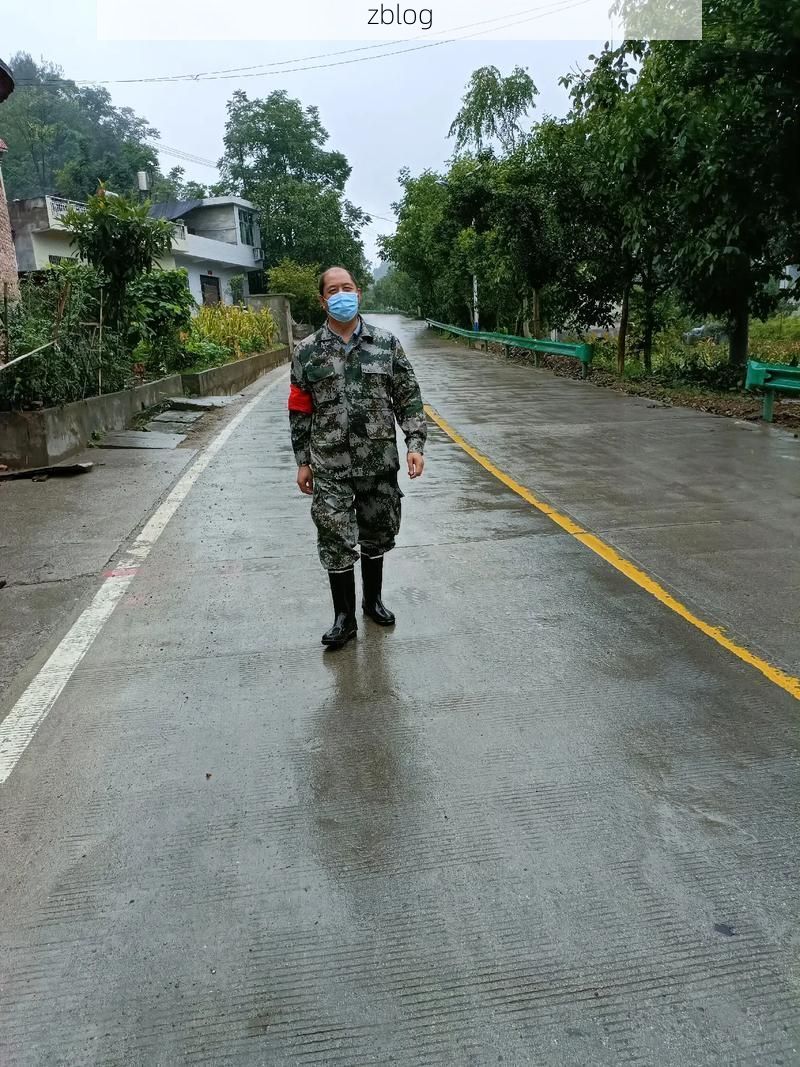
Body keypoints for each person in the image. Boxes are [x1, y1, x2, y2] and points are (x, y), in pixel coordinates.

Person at [288, 266, 426, 649]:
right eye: (333, 290)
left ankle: (372, 602)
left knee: (377, 534)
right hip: (329, 463)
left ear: (358, 293)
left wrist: (414, 445)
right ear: (323, 299)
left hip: (378, 462)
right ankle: (343, 618)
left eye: (347, 287)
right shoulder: (306, 351)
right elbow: (299, 410)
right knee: (334, 538)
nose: (341, 294)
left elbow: (408, 397)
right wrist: (302, 460)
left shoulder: (386, 344)